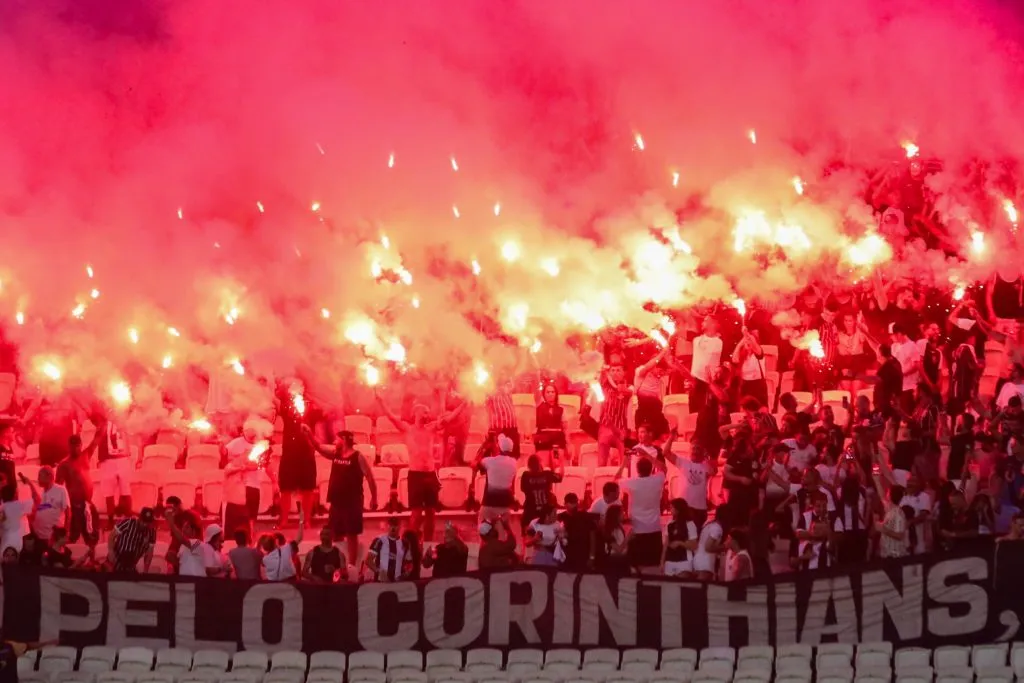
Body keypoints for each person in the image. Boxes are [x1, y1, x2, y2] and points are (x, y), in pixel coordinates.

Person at [301, 426, 376, 566]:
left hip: (352, 502)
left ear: (345, 440)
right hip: (336, 502)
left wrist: (374, 498)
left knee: (351, 534)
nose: (334, 442)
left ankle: (352, 564)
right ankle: (337, 562)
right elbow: (318, 447)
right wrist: (309, 434)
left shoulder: (358, 457)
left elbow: (370, 478)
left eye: (337, 439)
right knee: (335, 534)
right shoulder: (335, 454)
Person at [376, 394, 441, 541]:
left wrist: (463, 405)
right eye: (425, 412)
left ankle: (428, 544)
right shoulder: (407, 429)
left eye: (428, 412)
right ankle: (411, 544)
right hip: (416, 474)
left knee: (431, 512)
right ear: (415, 413)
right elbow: (391, 416)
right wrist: (381, 401)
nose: (427, 415)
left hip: (430, 474)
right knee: (417, 513)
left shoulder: (431, 428)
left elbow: (448, 420)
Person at [275, 379, 317, 530]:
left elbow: (324, 410)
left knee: (308, 489)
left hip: (306, 453)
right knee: (285, 488)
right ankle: (284, 520)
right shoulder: (286, 406)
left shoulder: (311, 406)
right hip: (289, 453)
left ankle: (306, 521)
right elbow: (277, 399)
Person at [615, 453, 666, 572]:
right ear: (651, 468)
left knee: (637, 565)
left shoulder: (632, 483)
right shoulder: (657, 479)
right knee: (653, 564)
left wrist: (623, 464)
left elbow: (616, 480)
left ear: (637, 469)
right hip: (654, 528)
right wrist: (649, 456)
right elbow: (664, 468)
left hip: (637, 529)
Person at [86, 408, 134, 529]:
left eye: (94, 421)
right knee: (126, 491)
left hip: (108, 461)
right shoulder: (122, 425)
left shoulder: (103, 426)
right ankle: (129, 521)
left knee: (109, 494)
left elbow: (95, 443)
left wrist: (86, 458)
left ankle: (111, 521)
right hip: (123, 459)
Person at [224, 418, 275, 528]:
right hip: (238, 487)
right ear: (244, 431)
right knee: (239, 516)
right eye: (249, 431)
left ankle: (251, 535)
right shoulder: (235, 443)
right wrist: (240, 463)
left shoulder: (262, 445)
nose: (252, 435)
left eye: (253, 431)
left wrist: (274, 481)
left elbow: (266, 465)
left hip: (254, 486)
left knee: (252, 517)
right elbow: (226, 457)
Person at [56, 435, 98, 549]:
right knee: (72, 537)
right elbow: (58, 487)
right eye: (72, 446)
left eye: (78, 446)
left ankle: (92, 562)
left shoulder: (86, 455)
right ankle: (68, 561)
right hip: (74, 506)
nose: (75, 449)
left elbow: (96, 440)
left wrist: (104, 422)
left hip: (88, 504)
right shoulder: (63, 464)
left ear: (81, 445)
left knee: (91, 536)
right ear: (68, 447)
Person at [474, 434, 518, 523]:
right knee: (503, 534)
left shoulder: (490, 461)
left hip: (489, 505)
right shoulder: (514, 463)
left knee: (484, 532)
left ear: (499, 448)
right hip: (505, 506)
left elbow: (474, 464)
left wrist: (484, 447)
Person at [598, 363, 632, 467]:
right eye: (612, 370)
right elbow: (598, 380)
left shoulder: (629, 387)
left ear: (623, 373)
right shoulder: (604, 386)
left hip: (620, 428)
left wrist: (610, 378)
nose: (615, 373)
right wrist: (604, 372)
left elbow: (624, 391)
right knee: (601, 462)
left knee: (624, 463)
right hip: (605, 427)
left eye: (618, 370)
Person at [520, 454, 563, 534]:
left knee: (527, 532)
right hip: (545, 512)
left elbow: (523, 489)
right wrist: (561, 462)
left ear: (529, 465)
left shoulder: (525, 475)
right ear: (540, 464)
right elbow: (560, 477)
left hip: (530, 511)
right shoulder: (547, 474)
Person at [690, 315, 724, 412]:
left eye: (705, 320)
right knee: (694, 412)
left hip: (709, 383)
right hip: (695, 382)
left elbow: (708, 349)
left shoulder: (719, 342)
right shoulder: (696, 340)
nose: (702, 322)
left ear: (713, 323)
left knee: (706, 412)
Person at [107, 507, 156, 573]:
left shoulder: (151, 532)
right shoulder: (128, 523)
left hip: (131, 566)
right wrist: (111, 551)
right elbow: (111, 536)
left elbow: (149, 553)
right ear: (139, 518)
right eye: (143, 521)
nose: (145, 524)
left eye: (148, 522)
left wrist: (145, 571)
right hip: (115, 561)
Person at [262, 508, 304, 581]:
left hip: (274, 586)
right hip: (290, 583)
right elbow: (299, 537)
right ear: (275, 543)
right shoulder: (286, 549)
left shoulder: (265, 559)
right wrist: (301, 520)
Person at [558, 493, 597, 571]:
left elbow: (592, 536)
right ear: (565, 504)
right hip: (565, 555)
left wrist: (592, 556)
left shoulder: (585, 517)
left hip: (582, 554)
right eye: (571, 503)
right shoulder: (560, 518)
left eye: (575, 502)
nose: (574, 505)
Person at [163, 495, 201, 575]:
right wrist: (171, 553)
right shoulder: (175, 518)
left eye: (173, 507)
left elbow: (193, 541)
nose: (171, 510)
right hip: (183, 551)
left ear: (179, 505)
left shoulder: (192, 516)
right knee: (170, 556)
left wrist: (172, 524)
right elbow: (175, 540)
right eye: (168, 508)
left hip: (194, 549)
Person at [661, 498, 698, 578]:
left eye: (672, 507)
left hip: (684, 560)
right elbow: (665, 545)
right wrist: (662, 561)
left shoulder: (690, 524)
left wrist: (680, 543)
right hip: (670, 560)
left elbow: (694, 545)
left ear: (678, 509)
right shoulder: (669, 524)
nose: (670, 509)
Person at [732, 327, 768, 408]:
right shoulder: (743, 355)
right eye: (746, 341)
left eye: (750, 341)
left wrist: (747, 335)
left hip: (757, 386)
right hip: (745, 385)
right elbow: (734, 359)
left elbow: (756, 347)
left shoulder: (758, 352)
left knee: (759, 410)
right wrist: (740, 343)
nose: (748, 343)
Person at [0, 473, 35, 554]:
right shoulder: (12, 506)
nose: (3, 487)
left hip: (20, 536)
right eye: (2, 485)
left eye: (5, 484)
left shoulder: (16, 504)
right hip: (7, 539)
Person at [485, 383, 520, 458]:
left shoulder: (507, 390)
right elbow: (482, 403)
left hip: (512, 427)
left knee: (514, 454)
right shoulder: (489, 391)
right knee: (499, 454)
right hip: (498, 428)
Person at [534, 383, 566, 464]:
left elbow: (565, 427)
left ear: (556, 394)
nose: (550, 394)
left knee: (556, 464)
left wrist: (568, 443)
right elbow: (536, 393)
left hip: (556, 442)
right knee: (544, 465)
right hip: (542, 440)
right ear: (544, 394)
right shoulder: (539, 406)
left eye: (552, 392)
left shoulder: (561, 409)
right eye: (548, 392)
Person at [367, 517, 407, 582]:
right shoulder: (379, 540)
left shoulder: (404, 543)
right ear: (387, 526)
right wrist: (380, 573)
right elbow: (368, 560)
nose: (393, 528)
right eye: (391, 525)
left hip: (398, 582)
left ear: (400, 527)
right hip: (381, 582)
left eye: (395, 525)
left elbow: (407, 562)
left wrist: (404, 574)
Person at [599, 503, 630, 576]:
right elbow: (618, 549)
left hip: (622, 560)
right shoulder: (609, 531)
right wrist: (628, 538)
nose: (624, 514)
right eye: (622, 512)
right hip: (614, 561)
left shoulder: (620, 527)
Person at [0, 424, 17, 502]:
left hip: (11, 487)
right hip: (2, 487)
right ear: (5, 434)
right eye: (11, 432)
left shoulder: (10, 449)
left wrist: (15, 486)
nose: (13, 434)